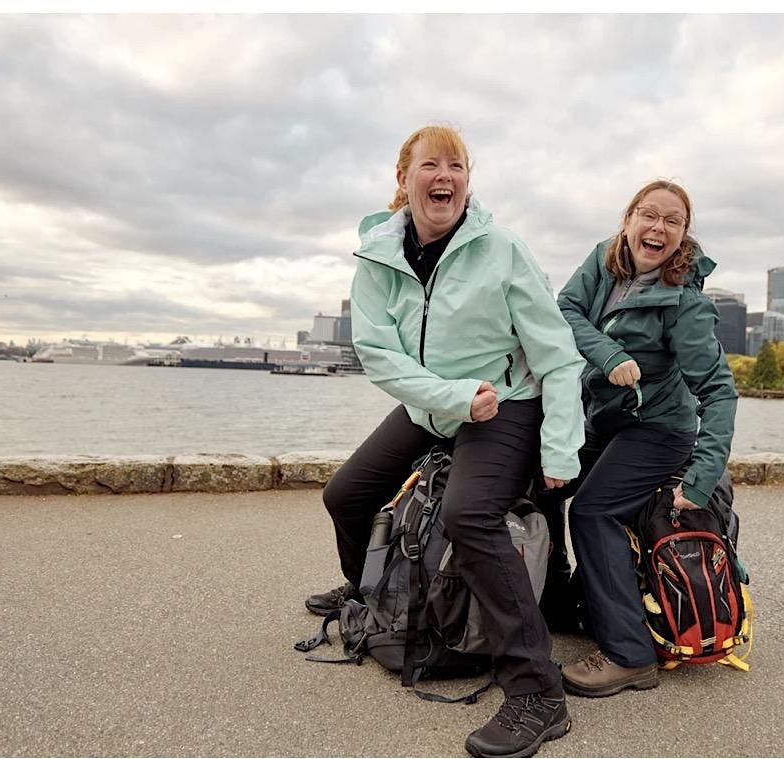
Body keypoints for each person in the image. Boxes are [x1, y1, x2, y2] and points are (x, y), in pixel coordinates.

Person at [304, 125, 584, 758]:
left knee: (469, 515)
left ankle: (538, 693)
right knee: (346, 495)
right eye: (430, 165)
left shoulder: (503, 249)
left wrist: (560, 447)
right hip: (438, 404)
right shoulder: (378, 257)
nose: (445, 177)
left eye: (456, 166)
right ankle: (374, 595)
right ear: (403, 180)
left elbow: (558, 357)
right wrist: (450, 398)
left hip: (505, 404)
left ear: (467, 183)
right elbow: (378, 353)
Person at [552, 179, 738, 698]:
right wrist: (609, 356)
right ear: (628, 219)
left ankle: (629, 655)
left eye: (672, 221)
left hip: (660, 430)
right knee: (544, 482)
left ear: (682, 235)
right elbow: (563, 311)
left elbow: (720, 392)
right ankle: (563, 603)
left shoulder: (684, 304)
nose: (657, 227)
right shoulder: (603, 262)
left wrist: (701, 480)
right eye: (648, 215)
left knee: (591, 511)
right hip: (608, 421)